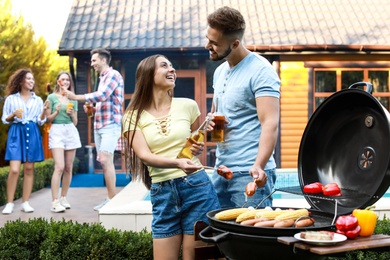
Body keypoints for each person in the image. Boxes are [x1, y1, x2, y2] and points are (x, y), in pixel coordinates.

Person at [122, 54, 220, 260]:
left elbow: (192, 145)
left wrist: (197, 147)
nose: (172, 69)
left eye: (172, 66)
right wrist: (177, 163)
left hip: (197, 188)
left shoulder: (188, 105)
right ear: (148, 74)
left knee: (196, 257)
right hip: (163, 192)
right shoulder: (132, 116)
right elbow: (144, 155)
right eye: (164, 65)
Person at [205, 6, 281, 209]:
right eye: (208, 39)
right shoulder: (220, 71)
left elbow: (270, 123)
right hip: (221, 170)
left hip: (249, 173)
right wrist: (210, 122)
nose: (207, 46)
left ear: (235, 43)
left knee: (250, 238)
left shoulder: (261, 71)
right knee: (219, 236)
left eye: (214, 43)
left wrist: (259, 165)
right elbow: (216, 112)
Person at [66, 48, 124, 211]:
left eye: (94, 60)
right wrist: (92, 111)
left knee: (106, 159)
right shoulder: (102, 78)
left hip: (110, 125)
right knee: (105, 163)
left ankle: (112, 200)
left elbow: (103, 95)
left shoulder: (113, 75)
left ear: (103, 60)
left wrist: (76, 97)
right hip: (99, 125)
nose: (92, 64)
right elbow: (101, 101)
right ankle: (110, 198)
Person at [1, 68, 48, 214]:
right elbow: (4, 119)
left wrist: (45, 110)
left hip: (32, 130)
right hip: (16, 131)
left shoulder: (38, 100)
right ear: (21, 81)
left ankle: (25, 202)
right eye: (28, 79)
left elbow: (41, 122)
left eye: (32, 79)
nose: (31, 81)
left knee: (29, 168)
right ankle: (10, 203)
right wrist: (13, 115)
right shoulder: (11, 99)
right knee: (14, 169)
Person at [45, 71, 81, 212]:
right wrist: (57, 111)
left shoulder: (73, 99)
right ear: (58, 81)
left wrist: (72, 115)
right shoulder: (52, 97)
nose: (65, 82)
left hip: (70, 131)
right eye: (63, 79)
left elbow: (76, 122)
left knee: (68, 167)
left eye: (67, 80)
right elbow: (48, 119)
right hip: (57, 131)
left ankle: (63, 198)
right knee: (59, 167)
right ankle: (54, 201)